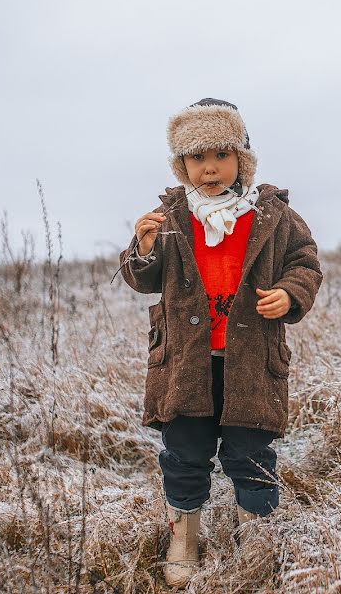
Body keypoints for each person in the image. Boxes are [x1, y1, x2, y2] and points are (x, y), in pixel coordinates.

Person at [118, 98, 322, 587]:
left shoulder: (273, 214)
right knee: (183, 453)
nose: (209, 168)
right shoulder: (169, 216)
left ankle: (257, 541)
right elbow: (142, 278)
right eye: (196, 157)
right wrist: (142, 249)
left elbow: (306, 263)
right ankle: (183, 541)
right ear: (182, 164)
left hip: (250, 361)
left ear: (242, 159)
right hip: (186, 362)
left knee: (250, 453)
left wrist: (290, 294)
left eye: (221, 155)